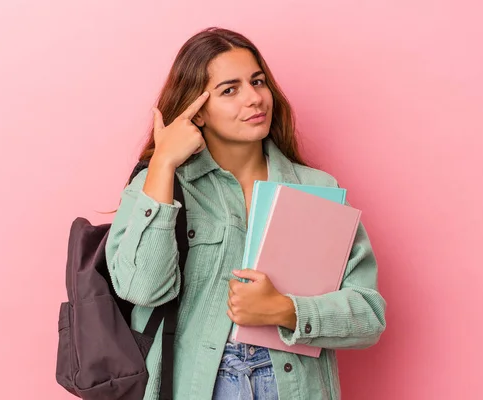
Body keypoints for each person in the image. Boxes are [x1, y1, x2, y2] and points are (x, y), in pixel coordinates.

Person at [105, 27, 386, 400]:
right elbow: (141, 288)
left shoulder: (317, 189)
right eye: (229, 90)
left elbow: (368, 316)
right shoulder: (161, 184)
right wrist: (163, 163)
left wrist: (286, 310)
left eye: (258, 81)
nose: (254, 99)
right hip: (197, 386)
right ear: (197, 112)